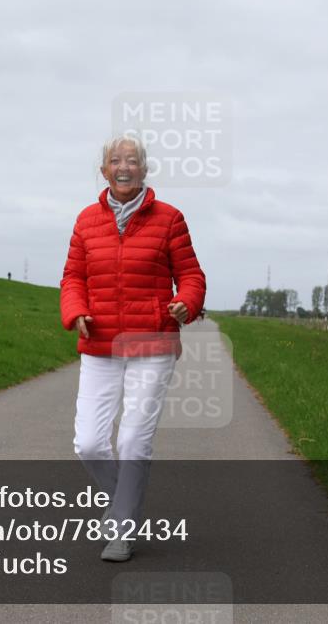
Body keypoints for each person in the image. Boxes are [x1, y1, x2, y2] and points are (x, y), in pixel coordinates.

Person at [60, 135, 206, 562]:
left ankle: (121, 529)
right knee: (88, 443)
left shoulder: (170, 219)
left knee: (133, 442)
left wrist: (187, 304)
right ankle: (123, 506)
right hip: (99, 342)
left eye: (132, 160)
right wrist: (76, 312)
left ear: (144, 169)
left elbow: (192, 276)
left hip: (153, 341)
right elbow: (72, 277)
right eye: (114, 160)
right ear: (103, 171)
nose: (123, 166)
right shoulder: (87, 220)